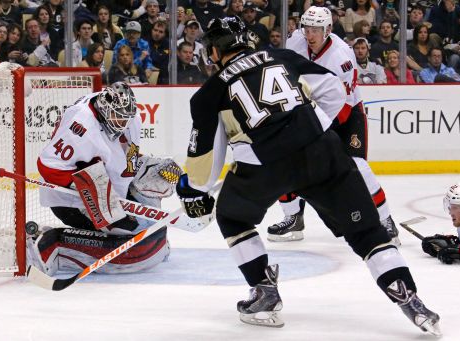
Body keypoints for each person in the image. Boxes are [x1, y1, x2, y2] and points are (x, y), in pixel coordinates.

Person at [175, 16, 441, 335]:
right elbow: (333, 90)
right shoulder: (282, 56)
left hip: (265, 166)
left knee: (232, 218)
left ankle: (265, 293)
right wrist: (313, 130)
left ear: (216, 50)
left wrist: (192, 190)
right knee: (367, 232)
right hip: (322, 152)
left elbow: (205, 165)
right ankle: (411, 301)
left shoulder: (208, 94)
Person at [269, 6, 399, 244]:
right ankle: (293, 218)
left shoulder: (342, 57)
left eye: (316, 30)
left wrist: (316, 131)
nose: (310, 35)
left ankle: (385, 219)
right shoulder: (295, 42)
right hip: (310, 109)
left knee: (358, 166)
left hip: (346, 113)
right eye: (306, 28)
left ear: (328, 29)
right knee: (284, 157)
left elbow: (344, 104)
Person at [27, 82, 182, 276]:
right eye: (117, 117)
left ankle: (147, 238)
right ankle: (53, 244)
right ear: (104, 109)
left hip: (108, 181)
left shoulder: (128, 114)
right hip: (70, 200)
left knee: (157, 176)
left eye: (125, 118)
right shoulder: (81, 126)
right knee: (127, 230)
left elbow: (130, 156)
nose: (122, 123)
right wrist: (86, 187)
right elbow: (48, 166)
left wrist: (133, 184)